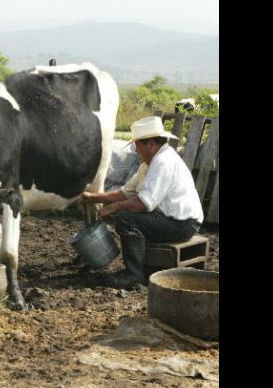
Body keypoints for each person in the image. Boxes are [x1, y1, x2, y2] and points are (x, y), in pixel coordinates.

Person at [79, 116, 204, 289]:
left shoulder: (163, 163)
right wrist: (94, 198)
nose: (136, 151)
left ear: (151, 144)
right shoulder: (149, 164)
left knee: (125, 217)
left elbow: (143, 204)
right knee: (125, 214)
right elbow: (126, 193)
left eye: (137, 146)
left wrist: (114, 207)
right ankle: (139, 269)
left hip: (182, 225)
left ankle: (133, 275)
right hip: (170, 219)